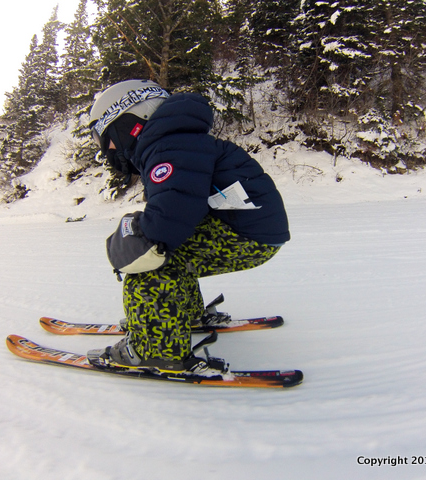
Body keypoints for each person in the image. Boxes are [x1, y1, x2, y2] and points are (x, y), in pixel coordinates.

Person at [87, 79, 290, 373]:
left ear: (127, 119)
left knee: (149, 262)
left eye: (106, 138)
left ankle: (155, 349)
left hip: (245, 234)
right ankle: (181, 315)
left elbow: (170, 216)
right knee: (171, 251)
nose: (109, 149)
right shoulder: (175, 141)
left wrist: (134, 241)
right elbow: (180, 210)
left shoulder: (167, 145)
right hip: (251, 230)